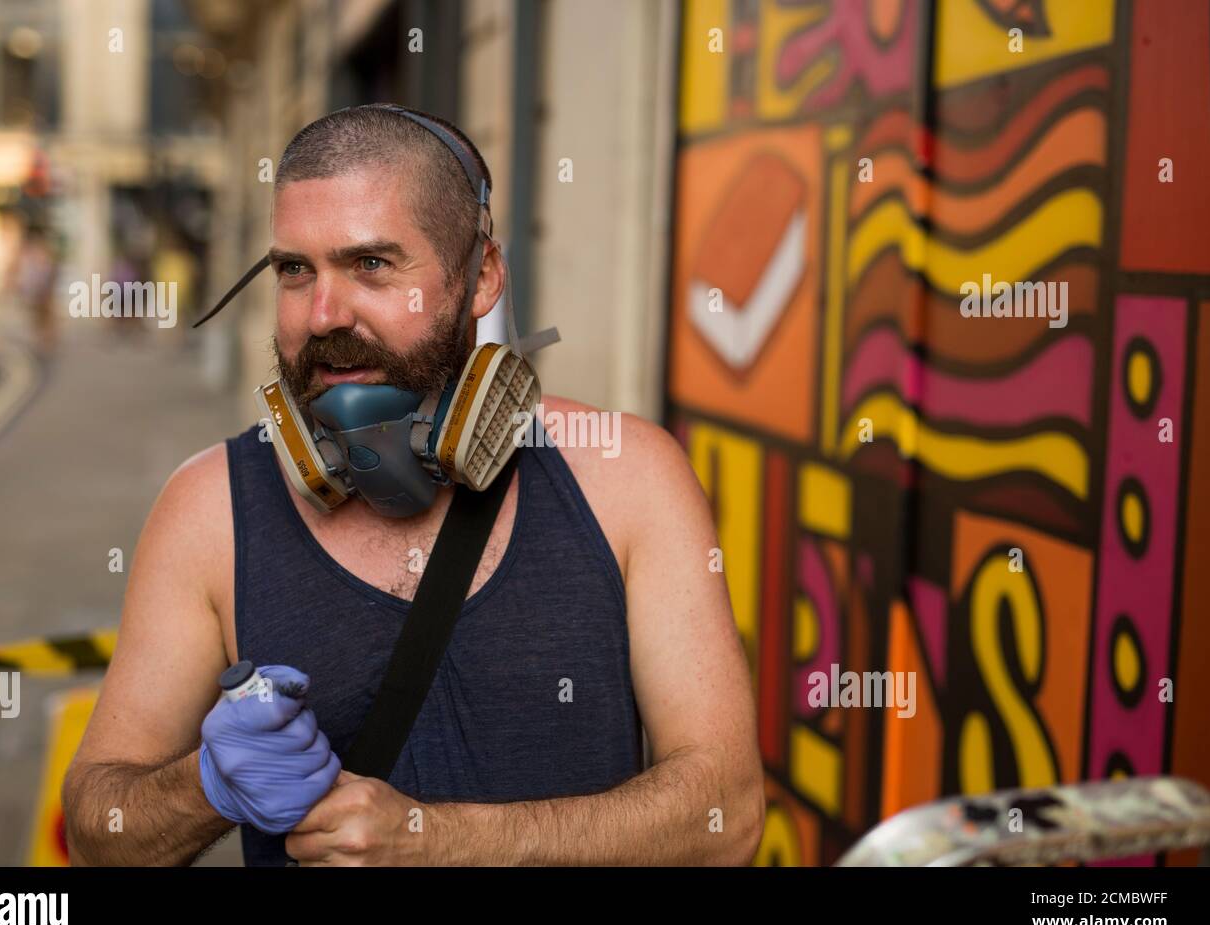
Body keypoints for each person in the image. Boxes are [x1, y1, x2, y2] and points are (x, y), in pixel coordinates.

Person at [61, 104, 763, 866]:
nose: (323, 313)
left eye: (370, 265)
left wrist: (437, 841)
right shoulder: (208, 508)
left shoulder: (629, 478)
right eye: (296, 270)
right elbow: (103, 835)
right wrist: (207, 785)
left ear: (482, 275)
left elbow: (727, 812)